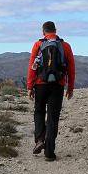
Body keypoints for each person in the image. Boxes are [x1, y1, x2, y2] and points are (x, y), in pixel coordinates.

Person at [27, 21, 76, 161]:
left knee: (39, 111)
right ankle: (49, 152)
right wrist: (70, 87)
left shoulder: (38, 45)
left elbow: (32, 66)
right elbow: (71, 69)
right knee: (53, 117)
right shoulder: (65, 46)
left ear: (43, 32)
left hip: (40, 84)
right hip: (58, 85)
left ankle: (40, 140)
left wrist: (30, 86)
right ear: (55, 30)